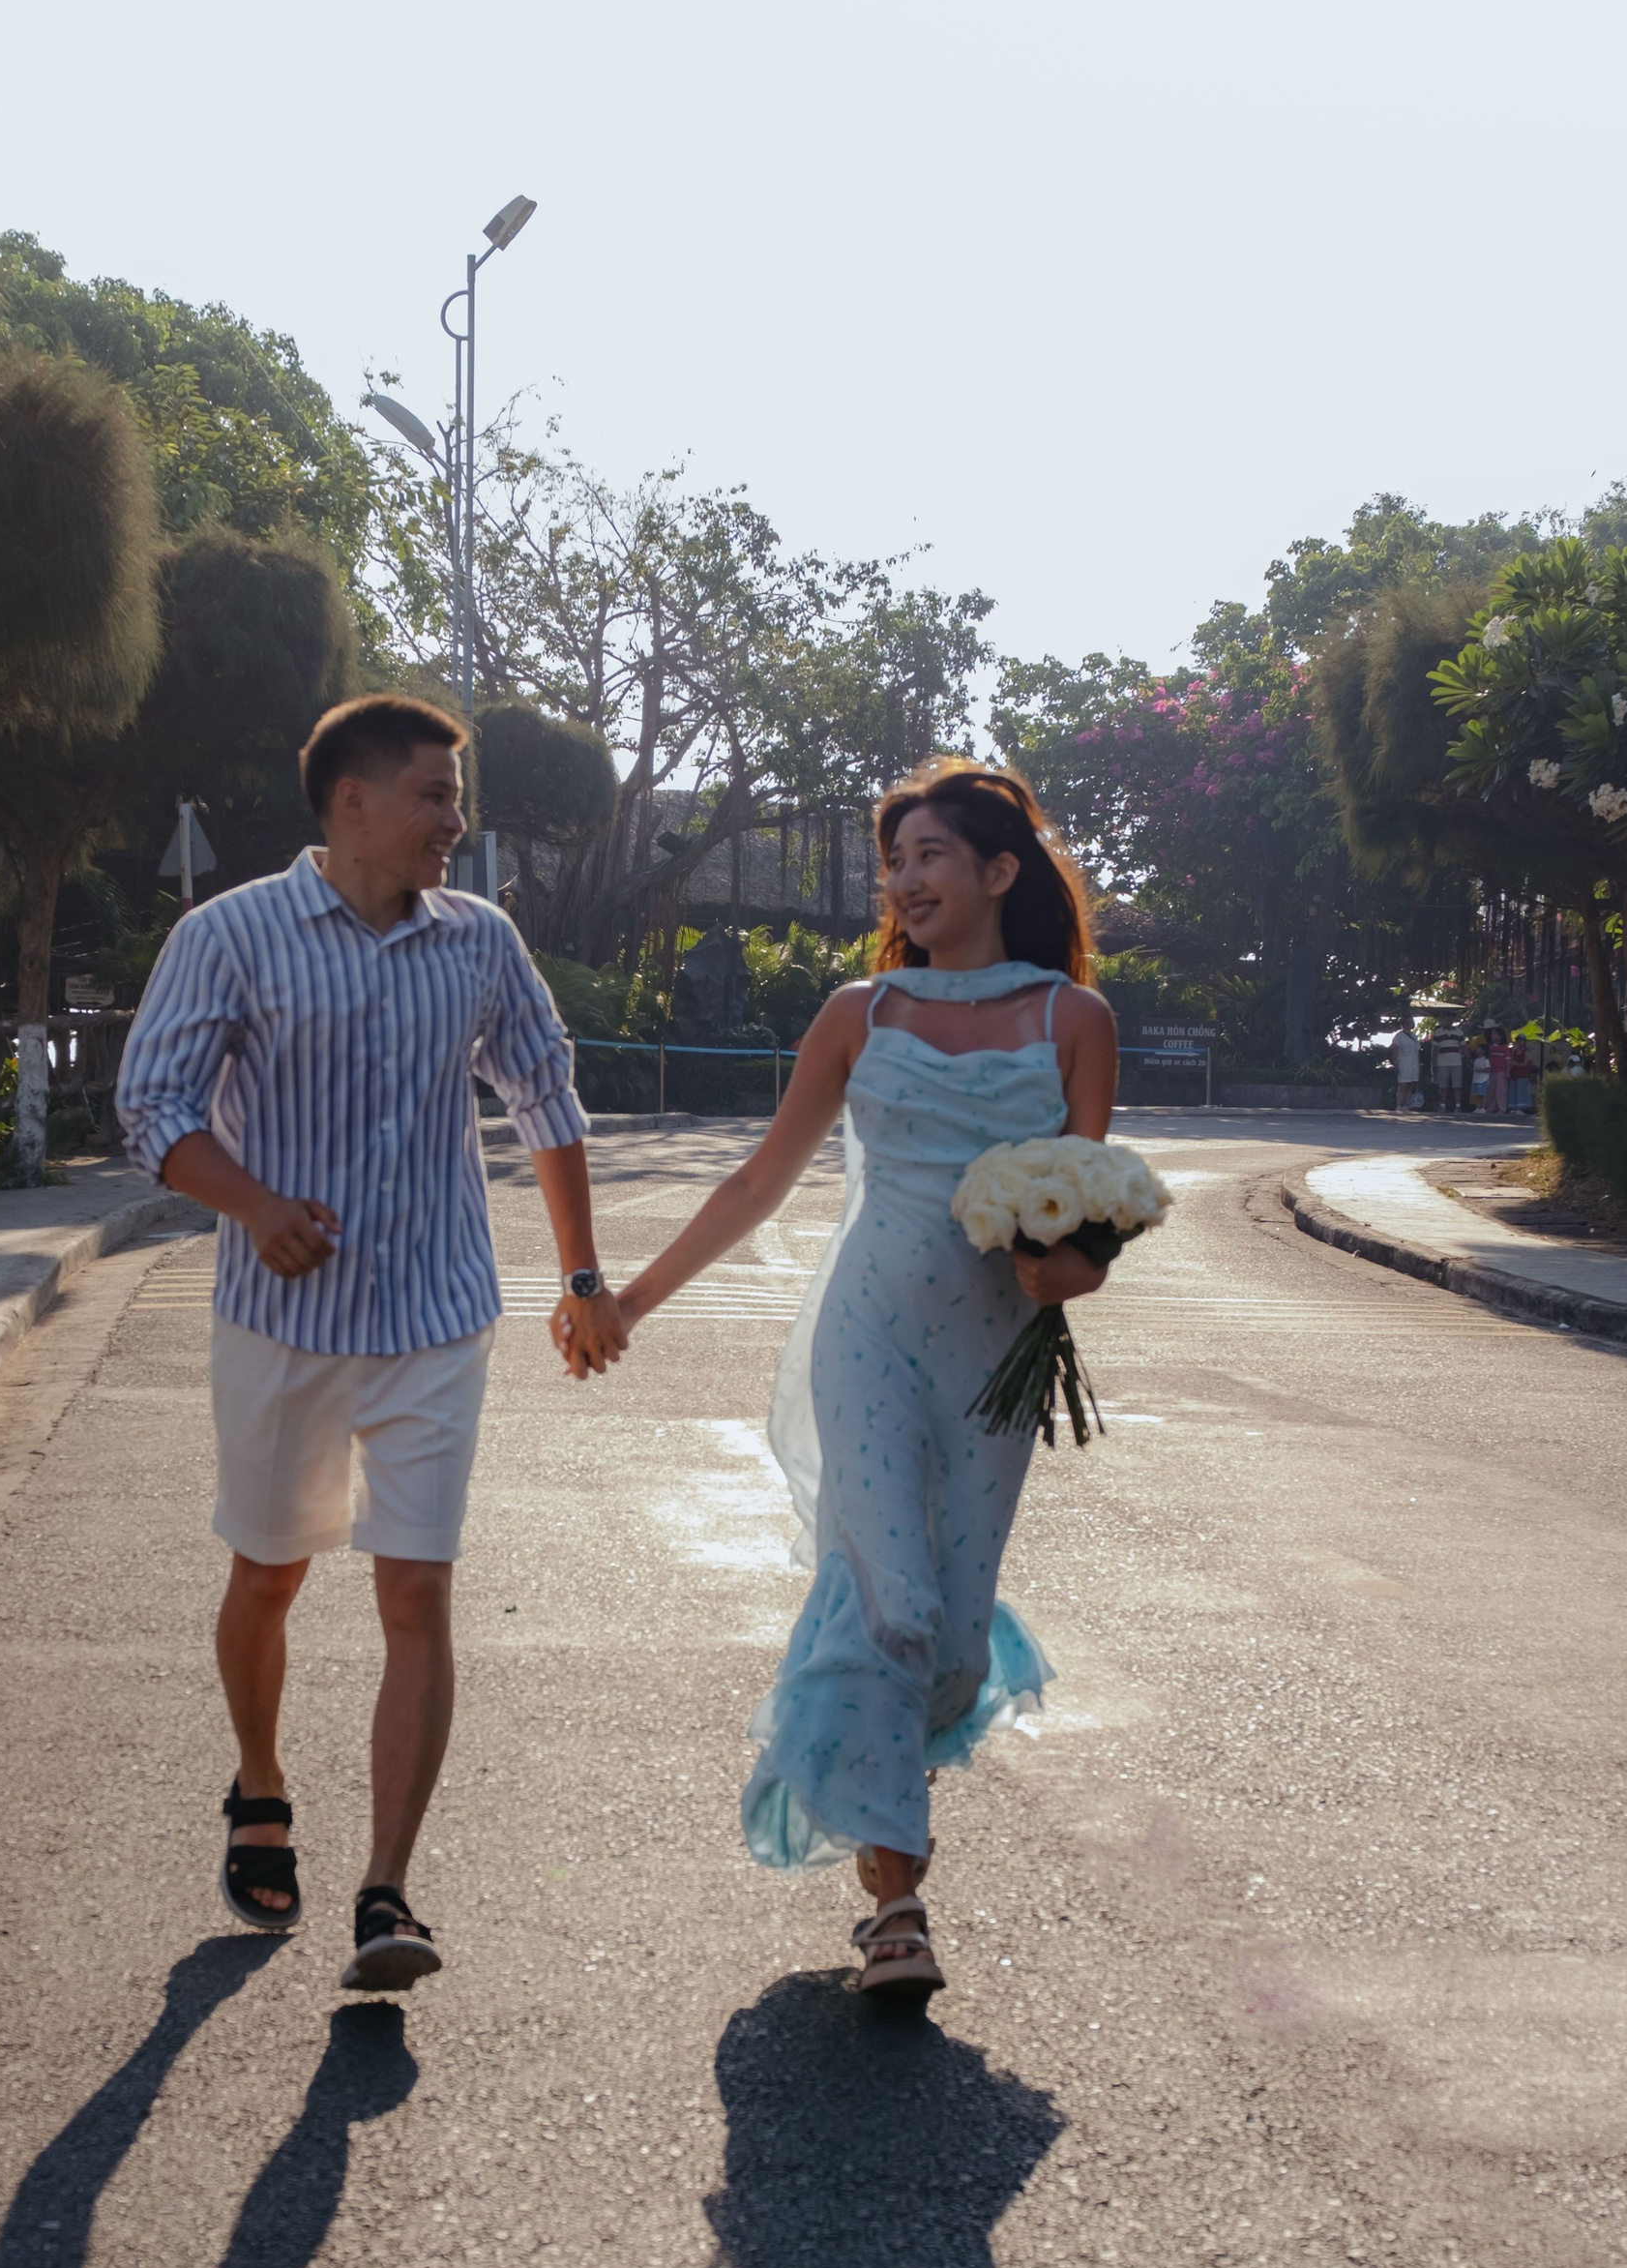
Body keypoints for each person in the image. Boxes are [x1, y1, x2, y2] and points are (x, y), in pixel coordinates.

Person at [114, 695, 627, 1992]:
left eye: (456, 800)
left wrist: (580, 1272)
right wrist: (254, 1206)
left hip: (438, 1316)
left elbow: (544, 1096)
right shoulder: (228, 936)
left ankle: (388, 1890)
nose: (456, 823)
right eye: (436, 797)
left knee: (417, 1591)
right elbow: (151, 1105)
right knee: (270, 1574)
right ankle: (262, 1779)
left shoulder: (479, 942)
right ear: (354, 800)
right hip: (280, 1321)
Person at [588, 761, 1117, 1999]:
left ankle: (864, 1788)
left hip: (997, 1362)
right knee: (893, 1604)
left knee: (952, 1647)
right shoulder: (857, 1013)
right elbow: (758, 1183)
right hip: (866, 1331)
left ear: (998, 872)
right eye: (897, 860)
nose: (905, 880)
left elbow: (1086, 1223)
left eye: (930, 854)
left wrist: (1066, 1272)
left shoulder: (1071, 1022)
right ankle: (899, 1904)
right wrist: (631, 1301)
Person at [1389, 1015, 1422, 1110]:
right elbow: (1395, 1050)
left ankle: (1405, 1105)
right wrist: (1396, 1063)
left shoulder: (1414, 1036)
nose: (1408, 1024)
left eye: (1410, 1022)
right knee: (1403, 1084)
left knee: (1411, 1084)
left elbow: (1418, 1052)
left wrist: (1419, 1065)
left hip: (1414, 1062)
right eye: (1406, 1022)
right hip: (1403, 1061)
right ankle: (1398, 1105)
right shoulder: (1399, 1036)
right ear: (1403, 1024)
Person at [1432, 1022, 1465, 1113]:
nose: (1449, 1020)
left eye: (1451, 1018)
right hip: (1443, 1062)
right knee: (1443, 1086)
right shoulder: (1438, 1032)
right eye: (1447, 1018)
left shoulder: (1459, 1032)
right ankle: (1442, 1106)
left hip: (1456, 1061)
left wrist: (1467, 1057)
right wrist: (1434, 1062)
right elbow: (1435, 1049)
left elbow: (1463, 1046)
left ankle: (1458, 1106)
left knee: (1457, 1085)